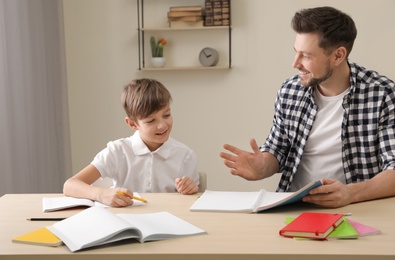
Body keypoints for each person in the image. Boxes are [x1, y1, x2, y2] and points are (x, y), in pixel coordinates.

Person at [220, 6, 395, 208]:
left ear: (338, 55)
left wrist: (349, 193)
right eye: (296, 52)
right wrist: (262, 166)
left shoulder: (382, 95)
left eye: (306, 55)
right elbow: (278, 150)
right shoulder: (290, 90)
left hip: (355, 210)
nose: (295, 63)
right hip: (294, 208)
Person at [64, 78, 199, 207]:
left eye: (166, 115)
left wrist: (191, 189)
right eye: (151, 121)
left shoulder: (185, 155)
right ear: (133, 124)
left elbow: (192, 200)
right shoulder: (117, 151)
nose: (162, 125)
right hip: (125, 222)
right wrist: (101, 194)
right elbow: (70, 185)